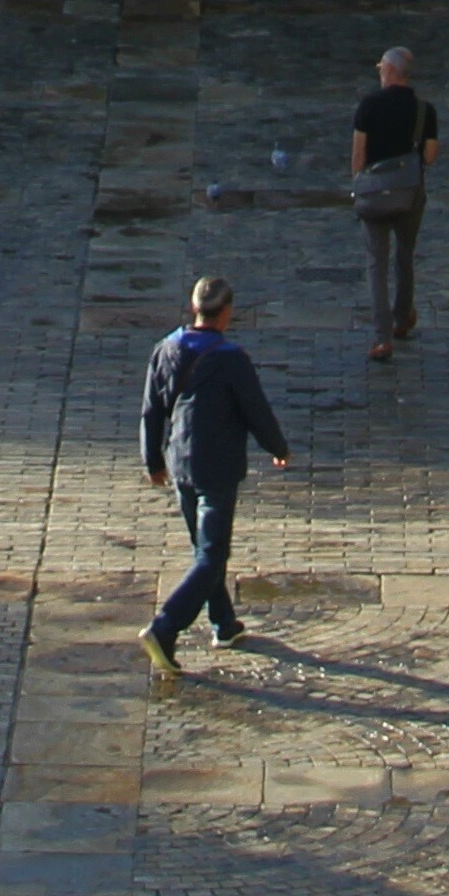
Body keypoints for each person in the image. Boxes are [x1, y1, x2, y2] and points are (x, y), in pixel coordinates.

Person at [138, 273, 292, 685]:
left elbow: (152, 410)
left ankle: (223, 621)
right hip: (217, 468)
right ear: (226, 312)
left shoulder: (166, 350)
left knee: (203, 547)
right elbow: (255, 410)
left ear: (194, 308)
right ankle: (166, 626)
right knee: (211, 553)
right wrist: (277, 447)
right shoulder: (230, 359)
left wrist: (153, 460)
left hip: (180, 464)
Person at [347, 44, 439, 361]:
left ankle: (381, 337)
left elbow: (357, 157)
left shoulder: (368, 106)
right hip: (409, 193)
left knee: (376, 263)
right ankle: (402, 319)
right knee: (404, 256)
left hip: (374, 194)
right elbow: (429, 156)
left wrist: (361, 183)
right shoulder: (424, 110)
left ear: (388, 70)